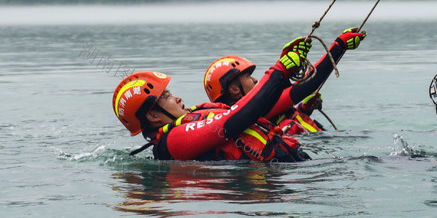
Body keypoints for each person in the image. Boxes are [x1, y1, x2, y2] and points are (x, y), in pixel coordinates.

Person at [112, 36, 315, 161]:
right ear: (154, 115)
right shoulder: (173, 141)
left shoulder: (191, 119)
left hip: (289, 165)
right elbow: (233, 120)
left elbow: (257, 108)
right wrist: (279, 70)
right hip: (279, 176)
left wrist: (284, 72)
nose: (178, 98)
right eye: (168, 97)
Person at [202, 27, 366, 135]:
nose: (255, 79)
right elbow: (308, 85)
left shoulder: (247, 114)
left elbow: (282, 96)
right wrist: (339, 46)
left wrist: (303, 109)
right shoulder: (254, 109)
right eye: (248, 77)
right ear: (234, 88)